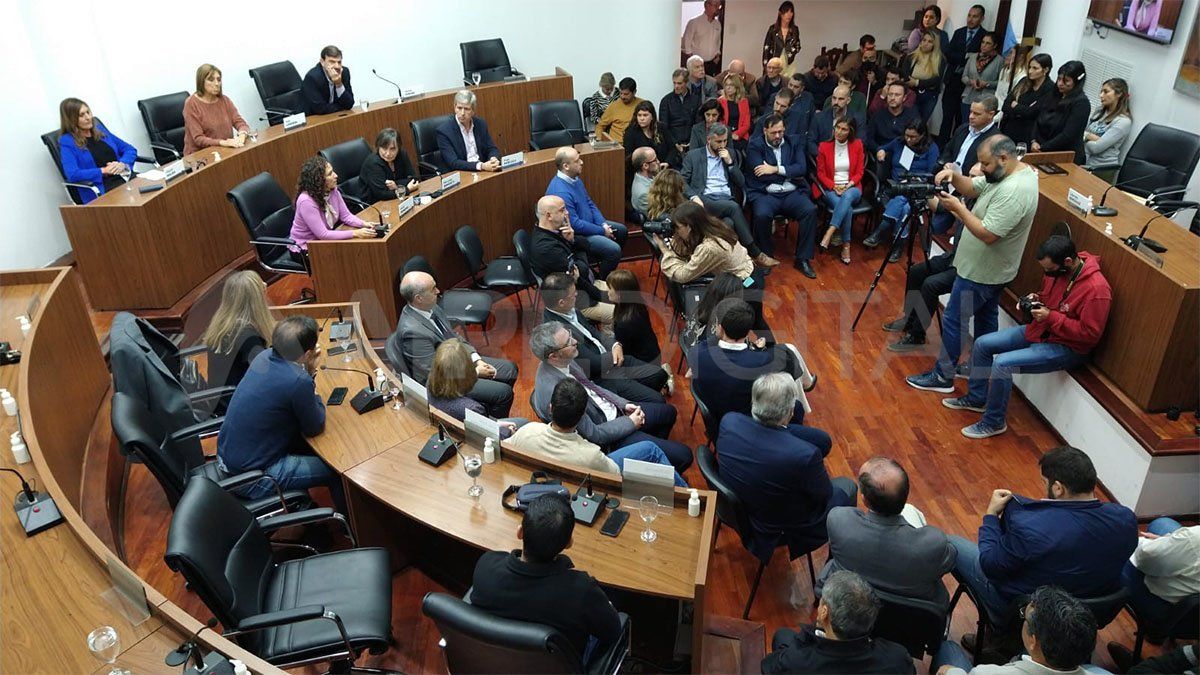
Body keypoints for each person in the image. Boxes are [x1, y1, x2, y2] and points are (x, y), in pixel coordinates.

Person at [947, 446, 1137, 653]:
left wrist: (991, 517)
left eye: (1044, 483)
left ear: (1058, 488)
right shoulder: (1125, 519)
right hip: (1089, 611)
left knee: (951, 544)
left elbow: (991, 566)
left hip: (1023, 609)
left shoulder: (1031, 527)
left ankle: (1000, 636)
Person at [906, 135, 1038, 394]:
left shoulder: (1014, 191)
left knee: (955, 319)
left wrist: (958, 209)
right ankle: (978, 370)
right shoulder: (1003, 174)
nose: (983, 168)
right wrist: (954, 178)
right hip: (988, 269)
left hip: (982, 272)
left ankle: (943, 376)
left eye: (985, 164)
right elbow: (974, 187)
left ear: (1003, 158)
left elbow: (989, 234)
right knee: (986, 323)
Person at [945, 235, 1111, 439]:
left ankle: (994, 422)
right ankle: (976, 398)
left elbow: (1089, 335)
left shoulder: (1097, 290)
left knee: (1003, 364)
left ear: (1068, 262)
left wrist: (1051, 317)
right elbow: (1050, 296)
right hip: (1042, 329)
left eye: (1050, 270)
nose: (1047, 274)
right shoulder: (1058, 270)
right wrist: (1036, 299)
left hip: (1068, 347)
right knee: (982, 344)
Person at [470, 493, 622, 662]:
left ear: (520, 532)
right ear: (569, 543)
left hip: (494, 663)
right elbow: (613, 631)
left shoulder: (486, 565)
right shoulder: (581, 591)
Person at [718, 373, 854, 562]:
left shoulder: (729, 422)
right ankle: (835, 565)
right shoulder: (805, 456)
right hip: (776, 528)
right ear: (789, 414)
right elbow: (823, 495)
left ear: (753, 402)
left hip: (736, 507)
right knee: (845, 490)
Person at [216, 316, 345, 511]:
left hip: (228, 460)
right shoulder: (297, 380)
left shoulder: (263, 356)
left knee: (303, 445)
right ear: (308, 353)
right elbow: (315, 427)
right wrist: (311, 377)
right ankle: (352, 530)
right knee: (336, 470)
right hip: (253, 477)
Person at [529, 320, 691, 472]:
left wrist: (623, 404)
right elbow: (594, 434)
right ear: (553, 356)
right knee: (685, 456)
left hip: (616, 413)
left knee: (669, 412)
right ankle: (654, 469)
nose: (575, 341)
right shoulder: (557, 393)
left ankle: (652, 468)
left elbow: (591, 386)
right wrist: (630, 423)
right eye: (568, 342)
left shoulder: (565, 359)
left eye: (570, 334)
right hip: (609, 436)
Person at [820, 457, 956, 614]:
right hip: (908, 621)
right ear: (905, 495)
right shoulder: (933, 543)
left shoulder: (838, 520)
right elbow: (950, 560)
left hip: (850, 612)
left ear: (864, 499)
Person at [508, 379, 685, 485]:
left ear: (550, 408)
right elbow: (614, 473)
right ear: (582, 417)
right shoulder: (591, 455)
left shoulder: (527, 430)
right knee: (650, 449)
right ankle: (687, 497)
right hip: (594, 477)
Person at [395, 271, 518, 418]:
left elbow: (453, 336)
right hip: (443, 382)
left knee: (510, 369)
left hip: (457, 362)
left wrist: (476, 359)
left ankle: (488, 408)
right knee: (503, 393)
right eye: (433, 288)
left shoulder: (430, 307)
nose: (438, 291)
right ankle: (493, 427)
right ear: (419, 298)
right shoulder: (412, 332)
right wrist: (476, 373)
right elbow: (431, 375)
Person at [541, 273, 669, 403]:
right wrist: (615, 354)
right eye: (573, 294)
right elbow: (592, 364)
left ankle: (641, 398)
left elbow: (592, 331)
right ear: (561, 302)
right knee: (658, 400)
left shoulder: (568, 308)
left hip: (610, 357)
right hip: (602, 375)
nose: (577, 295)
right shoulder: (557, 333)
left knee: (660, 375)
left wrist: (615, 345)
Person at [764, 570, 914, 674]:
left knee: (782, 636)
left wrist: (802, 641)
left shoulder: (796, 661)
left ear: (824, 612)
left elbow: (767, 667)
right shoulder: (898, 658)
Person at [933, 586, 1101, 675]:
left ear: (1034, 641)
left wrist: (951, 672)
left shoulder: (985, 673)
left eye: (1024, 616)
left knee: (948, 649)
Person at [680, 123, 779, 268]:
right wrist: (693, 197)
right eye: (718, 141)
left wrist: (730, 163)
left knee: (728, 223)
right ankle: (755, 253)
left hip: (725, 199)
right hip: (705, 198)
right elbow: (682, 181)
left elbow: (741, 181)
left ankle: (725, 265)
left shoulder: (730, 154)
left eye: (725, 141)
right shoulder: (694, 155)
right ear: (709, 140)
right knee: (733, 208)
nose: (722, 145)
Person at [691, 301, 807, 426]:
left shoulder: (697, 353)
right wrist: (758, 350)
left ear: (720, 328)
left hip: (715, 413)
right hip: (746, 420)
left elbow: (707, 344)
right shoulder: (760, 362)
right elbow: (785, 356)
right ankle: (807, 384)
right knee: (795, 402)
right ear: (747, 332)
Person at [1114, 517, 1200, 663]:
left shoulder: (1194, 538)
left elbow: (1144, 559)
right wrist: (1169, 543)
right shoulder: (1193, 539)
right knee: (1162, 524)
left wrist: (1150, 544)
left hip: (1175, 613)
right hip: (1192, 611)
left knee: (1119, 549)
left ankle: (1155, 631)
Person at [746, 113, 819, 271]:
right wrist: (788, 173)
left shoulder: (794, 143)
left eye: (781, 131)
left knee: (810, 210)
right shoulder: (755, 146)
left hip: (791, 193)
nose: (778, 135)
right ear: (765, 130)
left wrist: (775, 169)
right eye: (774, 132)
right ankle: (766, 256)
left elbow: (802, 168)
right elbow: (759, 175)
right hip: (766, 193)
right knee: (761, 215)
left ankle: (803, 259)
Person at [923, 95, 1000, 237]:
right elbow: (948, 150)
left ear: (991, 115)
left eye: (976, 114)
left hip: (967, 191)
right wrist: (946, 163)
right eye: (970, 111)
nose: (970, 116)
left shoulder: (995, 141)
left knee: (939, 226)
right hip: (948, 181)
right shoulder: (963, 128)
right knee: (934, 229)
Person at [545, 146, 629, 277]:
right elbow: (575, 224)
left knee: (622, 230)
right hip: (579, 235)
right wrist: (602, 231)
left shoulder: (574, 179)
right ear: (566, 166)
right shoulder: (560, 191)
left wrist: (603, 224)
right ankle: (602, 280)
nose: (582, 162)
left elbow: (589, 202)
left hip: (591, 225)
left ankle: (607, 269)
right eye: (577, 161)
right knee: (614, 251)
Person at [531, 195, 614, 325]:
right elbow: (582, 271)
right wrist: (602, 296)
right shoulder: (546, 248)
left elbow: (585, 246)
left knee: (628, 294)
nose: (567, 213)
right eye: (562, 210)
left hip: (589, 284)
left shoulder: (557, 231)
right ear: (548, 216)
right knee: (621, 314)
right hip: (579, 299)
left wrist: (572, 240)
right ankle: (611, 344)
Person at [865, 119, 941, 261]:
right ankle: (897, 246)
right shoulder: (899, 142)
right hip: (894, 186)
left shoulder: (931, 148)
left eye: (913, 137)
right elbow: (882, 147)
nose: (908, 139)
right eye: (906, 135)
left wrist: (914, 180)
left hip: (916, 189)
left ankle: (881, 231)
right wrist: (880, 150)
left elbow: (932, 174)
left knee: (905, 206)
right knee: (903, 205)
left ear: (922, 135)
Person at [427, 340, 522, 437]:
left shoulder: (430, 382)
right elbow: (490, 435)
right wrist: (508, 431)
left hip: (449, 428)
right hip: (473, 437)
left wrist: (496, 423)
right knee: (523, 423)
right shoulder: (473, 409)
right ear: (468, 373)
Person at [57, 97, 139, 204]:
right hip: (102, 188)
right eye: (82, 115)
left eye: (88, 112)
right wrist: (103, 171)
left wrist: (122, 164)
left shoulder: (100, 130)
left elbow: (130, 149)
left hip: (124, 177)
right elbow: (72, 174)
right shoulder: (67, 142)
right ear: (71, 119)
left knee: (157, 190)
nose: (88, 117)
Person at [202, 271, 274, 390]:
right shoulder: (247, 336)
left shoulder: (223, 323)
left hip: (223, 400)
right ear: (257, 300)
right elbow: (268, 375)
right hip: (239, 403)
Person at [288, 156, 373, 254]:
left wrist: (364, 224)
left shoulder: (332, 190)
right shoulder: (306, 201)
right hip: (304, 248)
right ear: (318, 180)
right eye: (330, 174)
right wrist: (355, 233)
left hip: (323, 243)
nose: (336, 175)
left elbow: (346, 216)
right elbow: (323, 235)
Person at [814, 117, 865, 264]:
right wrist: (834, 186)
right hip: (831, 188)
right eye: (837, 127)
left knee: (847, 196)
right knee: (847, 209)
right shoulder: (824, 146)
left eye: (844, 129)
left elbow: (860, 172)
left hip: (852, 187)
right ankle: (846, 245)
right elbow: (821, 173)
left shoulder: (857, 145)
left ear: (850, 131)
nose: (839, 131)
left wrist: (848, 185)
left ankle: (829, 232)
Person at [940, 4, 987, 143]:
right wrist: (967, 56)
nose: (970, 19)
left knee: (963, 121)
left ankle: (957, 147)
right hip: (952, 80)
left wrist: (964, 57)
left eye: (975, 16)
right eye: (969, 15)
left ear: (982, 18)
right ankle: (941, 148)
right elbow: (949, 54)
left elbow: (981, 57)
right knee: (947, 118)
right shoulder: (959, 32)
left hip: (969, 86)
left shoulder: (984, 37)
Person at [606, 269, 666, 373]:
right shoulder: (636, 304)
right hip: (652, 354)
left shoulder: (625, 323)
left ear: (620, 294)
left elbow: (624, 353)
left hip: (643, 364)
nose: (607, 291)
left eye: (610, 288)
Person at [182, 64, 250, 156]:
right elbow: (198, 139)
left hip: (225, 151)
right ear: (201, 81)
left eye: (218, 79)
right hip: (199, 156)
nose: (217, 83)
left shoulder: (224, 100)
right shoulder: (191, 104)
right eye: (211, 80)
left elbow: (240, 122)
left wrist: (242, 135)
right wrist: (223, 143)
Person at [1032, 61, 1090, 162]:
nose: (1060, 84)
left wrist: (1042, 148)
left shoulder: (1081, 103)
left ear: (1077, 82)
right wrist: (1033, 141)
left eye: (1066, 81)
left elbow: (1068, 135)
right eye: (1059, 79)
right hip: (1040, 149)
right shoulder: (1054, 94)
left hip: (1064, 156)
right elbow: (1038, 119)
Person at [436, 89, 501, 172]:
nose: (462, 113)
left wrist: (493, 159)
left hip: (484, 171)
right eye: (459, 108)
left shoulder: (480, 124)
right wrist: (481, 166)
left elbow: (492, 148)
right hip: (463, 173)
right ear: (454, 107)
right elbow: (453, 162)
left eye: (466, 109)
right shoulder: (444, 131)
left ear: (473, 111)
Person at [1000, 54, 1055, 146]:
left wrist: (1016, 106)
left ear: (1045, 70)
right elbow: (1005, 105)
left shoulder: (1050, 89)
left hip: (1028, 135)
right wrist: (1024, 109)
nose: (1030, 71)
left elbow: (1034, 112)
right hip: (1009, 129)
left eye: (1035, 68)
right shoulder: (1024, 82)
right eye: (1029, 67)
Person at [1083, 78, 1132, 176]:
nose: (1101, 95)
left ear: (1119, 94)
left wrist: (1086, 137)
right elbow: (1080, 132)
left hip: (1101, 168)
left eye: (1106, 92)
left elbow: (1096, 148)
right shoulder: (1099, 111)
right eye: (1101, 92)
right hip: (1085, 162)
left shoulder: (1123, 121)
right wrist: (1093, 138)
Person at [359, 127, 419, 202]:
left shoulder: (402, 155)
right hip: (375, 203)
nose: (388, 153)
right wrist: (407, 189)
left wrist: (396, 185)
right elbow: (382, 194)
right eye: (384, 148)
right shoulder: (373, 163)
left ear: (398, 148)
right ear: (378, 146)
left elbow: (414, 179)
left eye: (392, 149)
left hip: (396, 199)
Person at [960, 33, 1002, 133]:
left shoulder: (999, 61)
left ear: (994, 45)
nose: (984, 45)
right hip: (969, 97)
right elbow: (964, 76)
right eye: (983, 42)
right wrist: (971, 81)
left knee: (979, 128)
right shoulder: (973, 57)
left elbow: (1001, 83)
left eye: (988, 43)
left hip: (986, 99)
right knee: (965, 127)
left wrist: (987, 83)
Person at [865, 82, 922, 154]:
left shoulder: (912, 115)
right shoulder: (878, 115)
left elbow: (918, 138)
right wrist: (878, 149)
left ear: (904, 98)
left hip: (905, 153)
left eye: (897, 95)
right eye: (890, 94)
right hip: (882, 153)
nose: (892, 98)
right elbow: (869, 138)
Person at [902, 31, 947, 122]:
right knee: (912, 120)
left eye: (930, 42)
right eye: (924, 40)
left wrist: (917, 82)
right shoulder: (911, 57)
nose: (926, 43)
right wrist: (914, 83)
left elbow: (937, 80)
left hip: (930, 95)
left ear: (935, 45)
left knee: (922, 122)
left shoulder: (940, 59)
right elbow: (905, 74)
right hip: (912, 93)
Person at [811, 85, 867, 157]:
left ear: (848, 100)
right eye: (834, 98)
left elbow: (861, 142)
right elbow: (811, 142)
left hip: (848, 159)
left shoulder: (858, 118)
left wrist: (844, 156)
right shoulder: (819, 118)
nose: (836, 102)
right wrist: (824, 155)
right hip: (824, 158)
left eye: (841, 99)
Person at [300, 45, 354, 115]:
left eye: (339, 62)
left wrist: (339, 84)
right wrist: (342, 107)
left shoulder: (344, 72)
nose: (337, 66)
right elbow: (320, 108)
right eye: (332, 62)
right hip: (315, 119)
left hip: (335, 116)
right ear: (322, 62)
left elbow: (349, 104)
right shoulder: (312, 77)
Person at [659, 69, 701, 156]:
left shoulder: (696, 100)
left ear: (686, 82)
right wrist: (674, 143)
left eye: (679, 83)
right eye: (674, 83)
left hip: (692, 143)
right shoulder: (666, 101)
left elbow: (698, 123)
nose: (676, 86)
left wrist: (693, 141)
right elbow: (664, 127)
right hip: (672, 144)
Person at [624, 101, 676, 170]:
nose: (642, 118)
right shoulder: (631, 132)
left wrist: (667, 163)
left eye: (645, 115)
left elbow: (673, 149)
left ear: (652, 117)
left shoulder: (661, 127)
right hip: (642, 171)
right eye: (639, 115)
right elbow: (629, 157)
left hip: (663, 168)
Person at [596, 77, 645, 145]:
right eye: (621, 93)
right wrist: (600, 141)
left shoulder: (643, 105)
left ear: (634, 92)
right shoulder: (613, 106)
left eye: (626, 94)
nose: (622, 97)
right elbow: (600, 126)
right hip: (616, 145)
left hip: (637, 144)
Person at [682, 0, 723, 76]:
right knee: (696, 85)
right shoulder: (694, 22)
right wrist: (692, 60)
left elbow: (718, 41)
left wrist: (717, 55)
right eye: (716, 5)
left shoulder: (718, 24)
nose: (718, 8)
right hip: (696, 63)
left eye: (719, 6)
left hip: (712, 63)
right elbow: (686, 43)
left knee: (709, 85)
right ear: (707, 5)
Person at [762, 1, 801, 78]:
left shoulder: (794, 30)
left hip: (789, 62)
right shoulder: (773, 29)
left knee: (788, 84)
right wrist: (766, 66)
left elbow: (798, 46)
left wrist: (791, 51)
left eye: (791, 12)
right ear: (780, 13)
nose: (789, 15)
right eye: (786, 12)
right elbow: (766, 48)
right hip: (775, 62)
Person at [717, 75, 752, 149]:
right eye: (726, 85)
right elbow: (719, 122)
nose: (728, 88)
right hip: (724, 136)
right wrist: (729, 135)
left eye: (731, 85)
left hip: (740, 136)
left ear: (737, 87)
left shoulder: (744, 102)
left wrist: (737, 134)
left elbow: (746, 124)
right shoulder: (720, 101)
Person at [630, 147, 661, 216]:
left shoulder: (646, 175)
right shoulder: (643, 193)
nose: (658, 162)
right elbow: (656, 215)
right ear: (645, 166)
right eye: (655, 160)